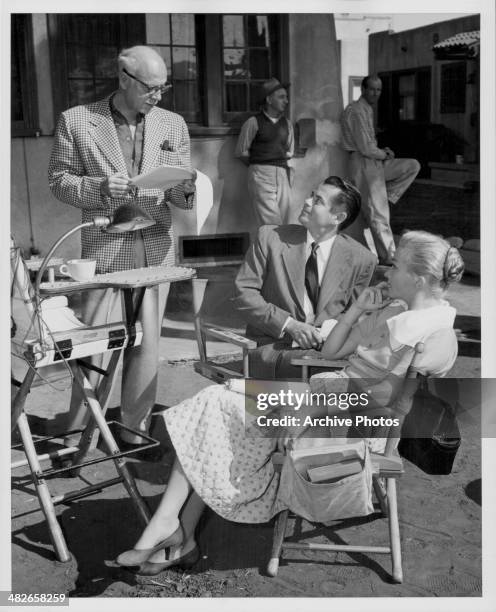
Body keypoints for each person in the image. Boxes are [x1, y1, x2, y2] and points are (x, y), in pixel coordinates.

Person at [114, 230, 464, 575]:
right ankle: (174, 528)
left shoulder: (433, 332)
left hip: (351, 426)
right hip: (324, 399)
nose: (388, 272)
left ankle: (174, 530)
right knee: (216, 401)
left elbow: (380, 398)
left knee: (222, 410)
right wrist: (358, 308)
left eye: (397, 266)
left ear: (418, 279)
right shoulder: (397, 311)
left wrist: (304, 412)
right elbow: (331, 351)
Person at [48, 46, 196, 448]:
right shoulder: (77, 121)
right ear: (124, 78)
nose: (158, 96)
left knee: (147, 345)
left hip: (155, 248)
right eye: (151, 87)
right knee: (94, 344)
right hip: (105, 249)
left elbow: (183, 198)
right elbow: (58, 180)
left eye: (164, 88)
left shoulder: (173, 124)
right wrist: (95, 187)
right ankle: (77, 434)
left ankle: (135, 429)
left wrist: (186, 186)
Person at [233, 176, 377, 379]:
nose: (307, 202)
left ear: (338, 218)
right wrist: (290, 325)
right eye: (311, 195)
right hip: (272, 351)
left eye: (318, 201)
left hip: (326, 354)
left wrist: (328, 334)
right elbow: (243, 294)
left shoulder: (362, 259)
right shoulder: (270, 238)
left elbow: (353, 315)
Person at [341, 75, 421, 265]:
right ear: (363, 89)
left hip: (374, 162)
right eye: (372, 89)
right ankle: (388, 257)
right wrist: (383, 155)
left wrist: (384, 152)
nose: (376, 93)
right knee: (378, 214)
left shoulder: (367, 109)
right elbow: (365, 148)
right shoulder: (355, 111)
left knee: (412, 165)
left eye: (379, 90)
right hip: (363, 162)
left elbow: (370, 145)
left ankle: (388, 195)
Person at [235, 78, 294, 227]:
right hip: (261, 174)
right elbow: (241, 152)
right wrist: (260, 165)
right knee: (271, 224)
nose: (286, 101)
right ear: (268, 100)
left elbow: (289, 151)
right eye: (281, 97)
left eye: (286, 97)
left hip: (282, 174)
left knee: (284, 224)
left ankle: (277, 250)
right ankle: (273, 250)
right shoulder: (253, 122)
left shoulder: (287, 124)